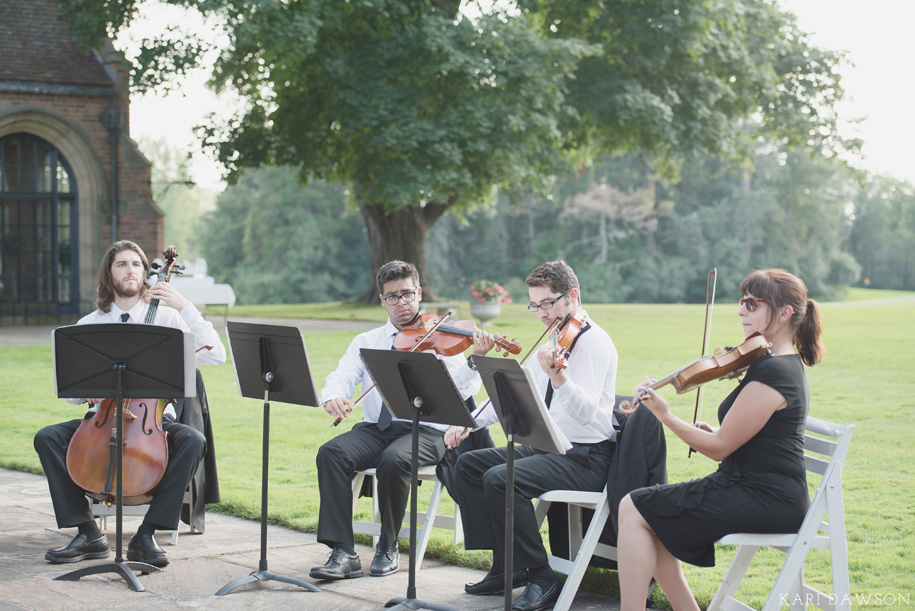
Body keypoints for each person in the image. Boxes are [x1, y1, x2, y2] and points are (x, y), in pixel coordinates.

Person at [617, 268, 824, 611]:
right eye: (742, 302)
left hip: (766, 497)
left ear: (785, 313)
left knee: (633, 506)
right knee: (652, 521)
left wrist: (666, 415)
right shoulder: (773, 362)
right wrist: (714, 431)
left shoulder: (775, 372)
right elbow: (762, 436)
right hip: (751, 485)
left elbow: (720, 449)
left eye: (752, 303)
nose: (741, 310)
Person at [34, 240, 226, 568]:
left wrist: (185, 307)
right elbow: (70, 394)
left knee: (193, 440)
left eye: (136, 264)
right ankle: (87, 533)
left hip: (153, 422)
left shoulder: (167, 318)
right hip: (101, 420)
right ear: (109, 275)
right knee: (47, 437)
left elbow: (216, 355)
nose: (131, 270)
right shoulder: (89, 324)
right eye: (122, 264)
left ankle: (146, 535)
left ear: (145, 273)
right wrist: (87, 391)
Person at [310, 260, 495, 580]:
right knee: (331, 452)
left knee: (394, 460)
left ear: (419, 293)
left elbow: (463, 388)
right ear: (382, 300)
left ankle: (388, 545)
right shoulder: (366, 340)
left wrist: (475, 360)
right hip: (378, 427)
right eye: (392, 296)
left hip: (428, 430)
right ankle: (343, 551)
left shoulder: (442, 337)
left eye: (407, 294)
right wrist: (333, 396)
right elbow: (342, 375)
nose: (402, 303)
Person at [455, 260, 619, 611]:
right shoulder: (554, 337)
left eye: (548, 303)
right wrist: (467, 424)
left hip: (586, 458)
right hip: (549, 449)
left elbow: (587, 413)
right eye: (535, 305)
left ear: (571, 296)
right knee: (468, 465)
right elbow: (512, 396)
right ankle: (507, 565)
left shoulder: (593, 342)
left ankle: (542, 577)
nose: (542, 313)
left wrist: (559, 378)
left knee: (502, 480)